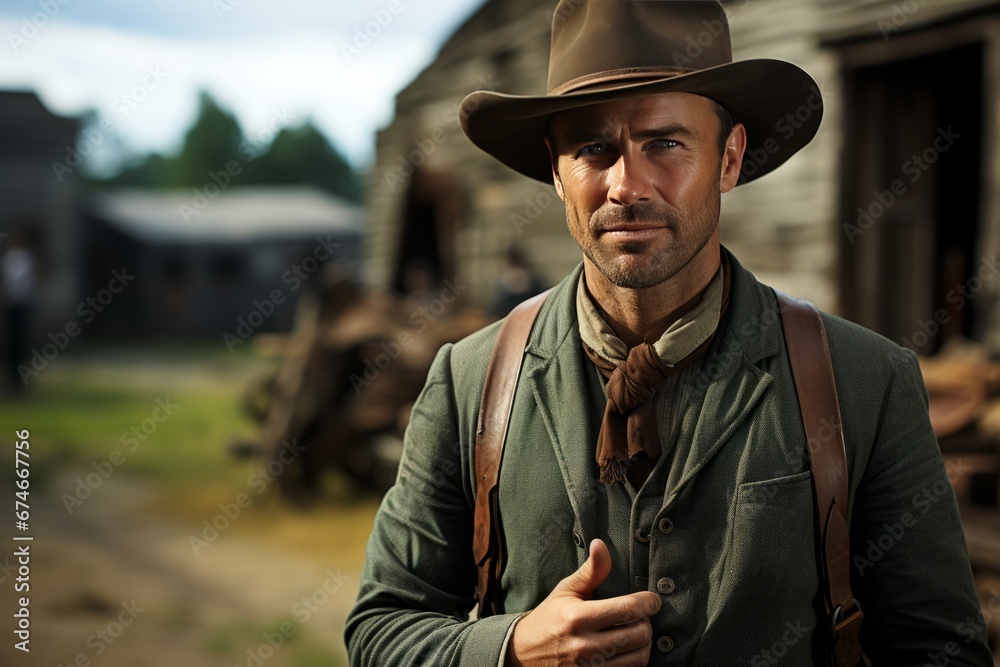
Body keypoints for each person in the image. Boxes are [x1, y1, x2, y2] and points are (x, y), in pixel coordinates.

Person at [345, 2, 992, 665]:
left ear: (730, 158)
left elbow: (943, 650)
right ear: (555, 172)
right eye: (594, 148)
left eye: (665, 142)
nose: (627, 185)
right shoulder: (470, 383)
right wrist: (510, 648)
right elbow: (380, 628)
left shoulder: (864, 380)